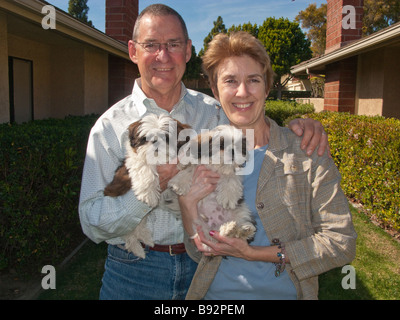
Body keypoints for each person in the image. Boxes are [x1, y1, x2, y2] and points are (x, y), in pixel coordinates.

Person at [79, 4, 329, 300]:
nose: (163, 55)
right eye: (151, 45)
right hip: (135, 269)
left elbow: (256, 130)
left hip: (210, 268)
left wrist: (297, 127)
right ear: (133, 51)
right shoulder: (109, 127)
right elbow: (91, 221)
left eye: (173, 44)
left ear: (187, 51)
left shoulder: (215, 113)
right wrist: (151, 188)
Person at [178, 31, 357, 300]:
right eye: (230, 81)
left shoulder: (306, 150)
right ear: (215, 91)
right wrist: (187, 207)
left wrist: (254, 254)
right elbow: (197, 251)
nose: (243, 92)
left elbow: (341, 243)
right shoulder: (202, 155)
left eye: (253, 80)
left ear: (267, 86)